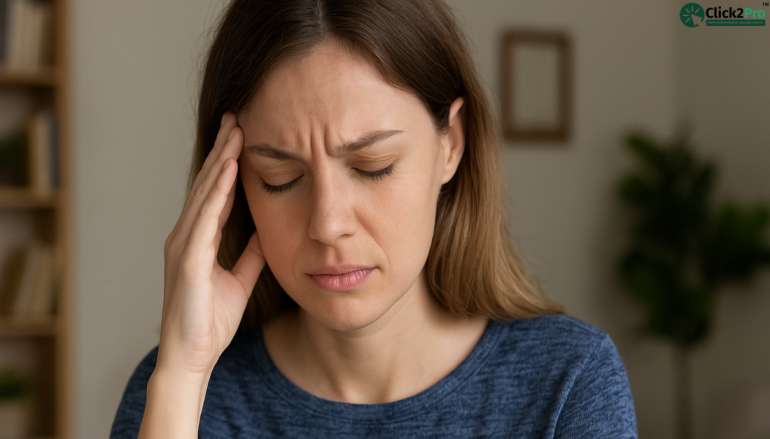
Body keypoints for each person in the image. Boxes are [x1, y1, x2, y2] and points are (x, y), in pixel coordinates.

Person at [110, 0, 638, 437]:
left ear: (450, 144)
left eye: (373, 167)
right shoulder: (182, 393)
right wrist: (182, 377)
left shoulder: (567, 382)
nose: (328, 223)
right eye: (279, 177)